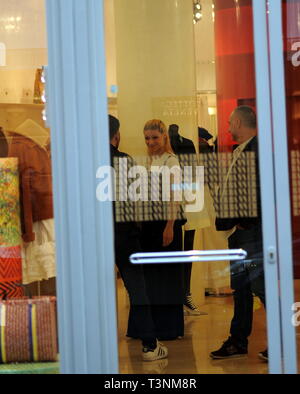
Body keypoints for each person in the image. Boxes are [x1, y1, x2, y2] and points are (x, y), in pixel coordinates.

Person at [210, 106, 267, 361]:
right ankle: (237, 341)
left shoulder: (258, 151)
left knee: (259, 287)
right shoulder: (239, 151)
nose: (228, 128)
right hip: (239, 230)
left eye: (230, 123)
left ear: (240, 123)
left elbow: (259, 191)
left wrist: (246, 222)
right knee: (241, 289)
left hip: (251, 231)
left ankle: (279, 340)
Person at [109, 115, 168, 362]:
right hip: (124, 234)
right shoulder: (125, 162)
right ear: (117, 135)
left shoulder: (86, 161)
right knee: (137, 289)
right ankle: (149, 345)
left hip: (95, 236)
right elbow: (137, 202)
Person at [130, 119, 185, 340]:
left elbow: (175, 196)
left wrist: (169, 225)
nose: (151, 142)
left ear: (164, 137)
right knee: (151, 277)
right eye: (147, 138)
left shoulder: (171, 162)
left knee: (167, 277)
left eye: (154, 137)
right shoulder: (150, 161)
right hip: (150, 225)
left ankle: (168, 329)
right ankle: (152, 327)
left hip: (166, 223)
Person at [168, 124, 203, 316]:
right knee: (177, 249)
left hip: (189, 199)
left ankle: (185, 294)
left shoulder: (187, 144)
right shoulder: (164, 149)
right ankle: (180, 295)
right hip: (177, 201)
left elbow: (194, 172)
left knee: (187, 248)